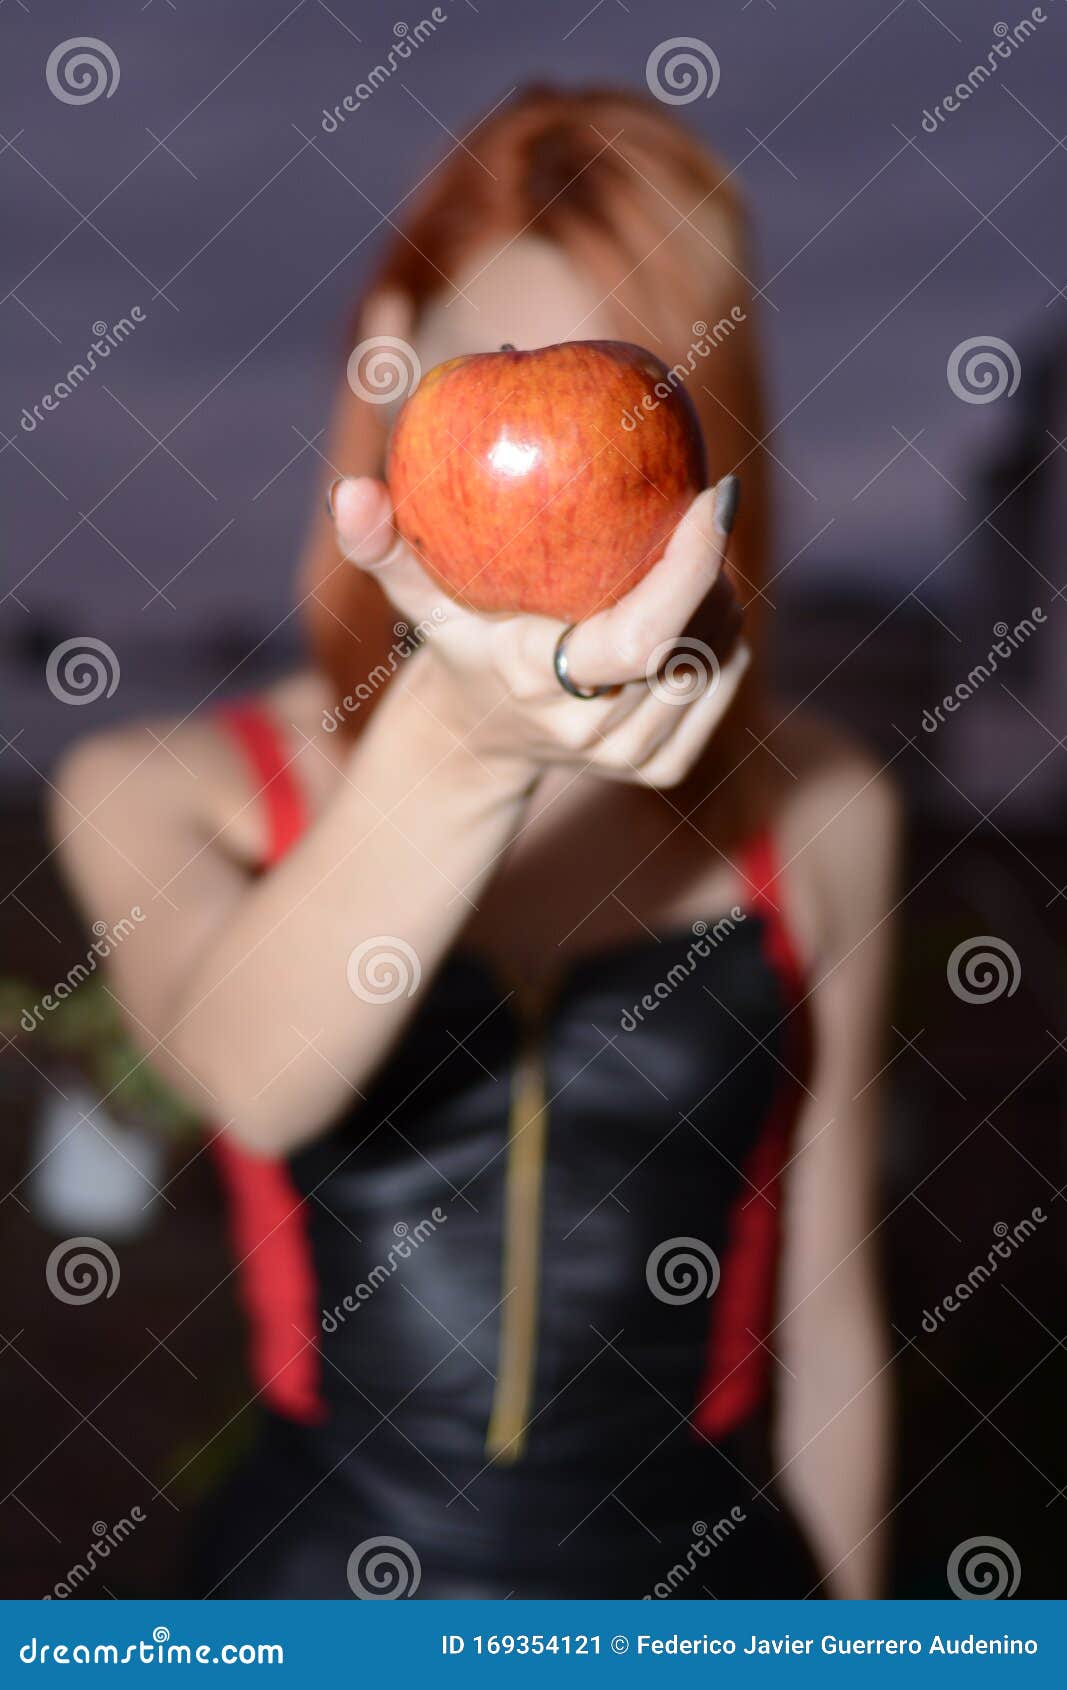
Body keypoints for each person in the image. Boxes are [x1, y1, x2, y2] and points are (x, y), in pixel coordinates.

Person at [52, 86, 897, 1599]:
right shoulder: (152, 784)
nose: (549, 451)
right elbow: (249, 1074)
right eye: (483, 368)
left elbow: (828, 1313)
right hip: (326, 1596)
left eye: (621, 385)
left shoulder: (818, 810)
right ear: (389, 363)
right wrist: (456, 744)